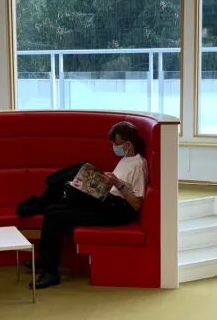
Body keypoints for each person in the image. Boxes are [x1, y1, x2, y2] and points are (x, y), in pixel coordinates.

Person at [33, 121, 147, 290]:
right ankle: (45, 261)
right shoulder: (125, 160)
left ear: (128, 144)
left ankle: (51, 273)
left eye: (117, 144)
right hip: (108, 201)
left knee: (57, 214)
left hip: (118, 211)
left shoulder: (138, 164)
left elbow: (136, 204)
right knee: (52, 210)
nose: (114, 147)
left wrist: (117, 182)